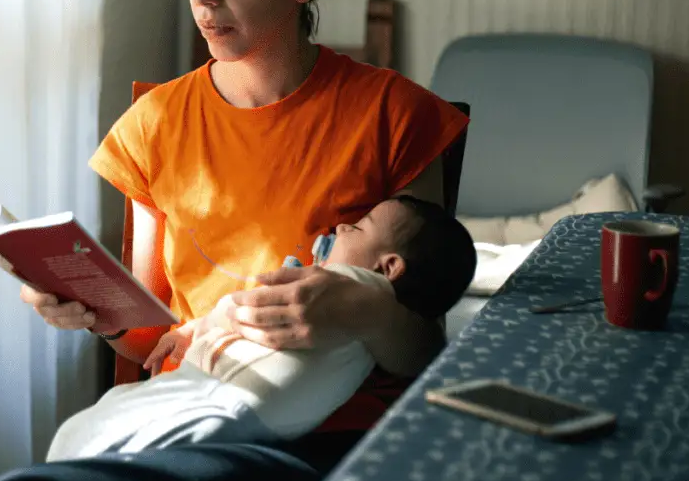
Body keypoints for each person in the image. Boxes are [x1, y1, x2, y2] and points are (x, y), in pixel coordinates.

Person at [0, 0, 470, 481]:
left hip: (332, 438)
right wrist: (92, 308)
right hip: (190, 414)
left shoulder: (393, 115)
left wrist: (365, 308)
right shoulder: (155, 123)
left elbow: (424, 349)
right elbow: (149, 340)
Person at [45, 196, 477, 462]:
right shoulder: (342, 292)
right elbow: (156, 331)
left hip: (236, 404)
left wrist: (193, 328)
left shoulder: (358, 285)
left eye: (358, 227)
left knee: (89, 438)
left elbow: (425, 344)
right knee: (105, 426)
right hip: (235, 403)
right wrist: (98, 308)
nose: (343, 226)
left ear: (389, 268)